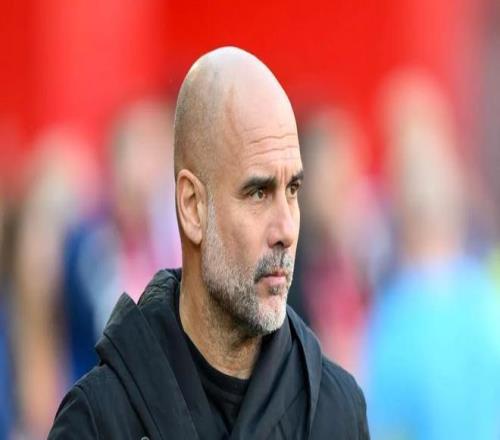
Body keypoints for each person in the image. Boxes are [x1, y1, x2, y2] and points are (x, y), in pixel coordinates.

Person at [48, 47, 369, 439]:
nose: (285, 229)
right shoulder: (100, 419)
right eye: (258, 193)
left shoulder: (336, 412)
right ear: (192, 207)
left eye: (293, 190)